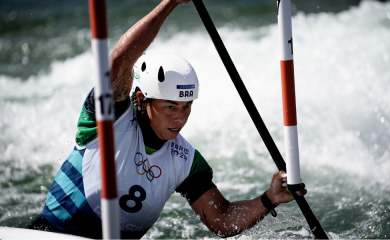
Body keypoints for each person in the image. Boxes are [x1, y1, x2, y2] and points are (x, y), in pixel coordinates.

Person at [25, 0, 307, 238]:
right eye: (170, 107)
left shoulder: (185, 160)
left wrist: (269, 199)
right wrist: (169, 3)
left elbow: (222, 220)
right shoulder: (111, 117)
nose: (181, 118)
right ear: (141, 100)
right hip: (50, 232)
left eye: (186, 107)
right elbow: (117, 64)